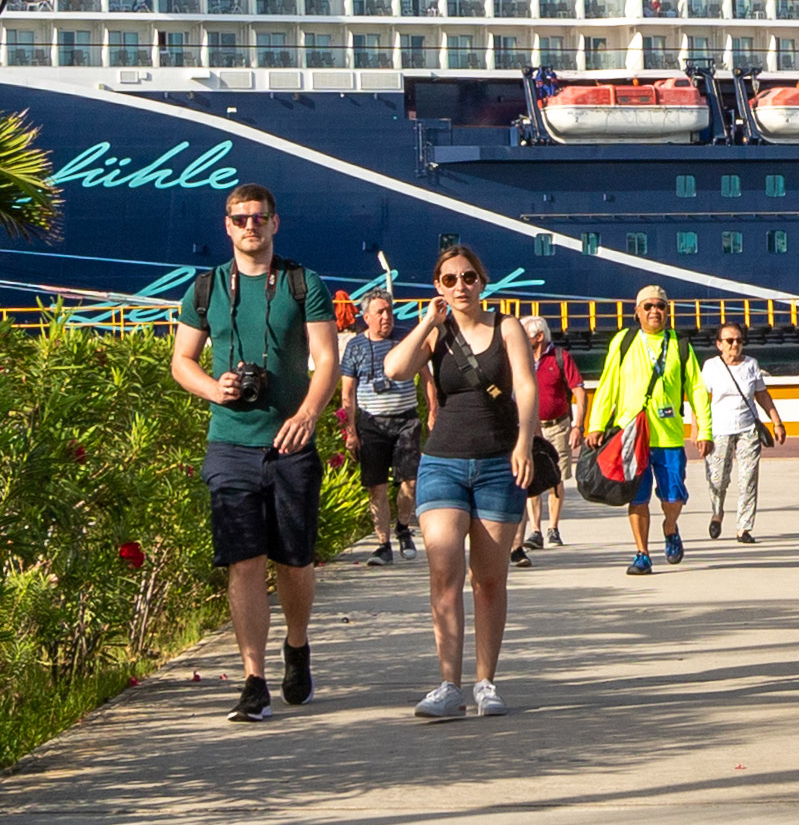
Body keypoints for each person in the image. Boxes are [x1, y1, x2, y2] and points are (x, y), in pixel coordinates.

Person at [170, 182, 339, 719]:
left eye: (259, 218)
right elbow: (181, 361)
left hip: (290, 442)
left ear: (274, 223)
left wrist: (307, 415)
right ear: (227, 225)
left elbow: (327, 359)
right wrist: (211, 388)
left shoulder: (300, 282)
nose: (250, 227)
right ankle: (252, 679)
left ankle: (296, 644)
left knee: (294, 558)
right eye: (240, 219)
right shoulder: (204, 289)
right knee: (243, 561)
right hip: (231, 443)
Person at [381, 243, 537, 718]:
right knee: (444, 568)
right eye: (450, 279)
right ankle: (448, 684)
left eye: (468, 277)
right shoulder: (437, 332)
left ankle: (485, 682)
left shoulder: (506, 326)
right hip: (443, 461)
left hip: (496, 463)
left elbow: (526, 386)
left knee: (489, 579)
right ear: (438, 286)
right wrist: (428, 322)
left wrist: (524, 444)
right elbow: (394, 369)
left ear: (482, 282)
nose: (460, 286)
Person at [586, 287, 708, 574]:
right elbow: (608, 386)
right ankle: (642, 554)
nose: (655, 311)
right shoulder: (623, 342)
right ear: (637, 311)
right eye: (648, 306)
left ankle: (670, 528)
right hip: (632, 437)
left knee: (673, 497)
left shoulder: (680, 344)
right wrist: (596, 425)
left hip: (669, 436)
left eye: (661, 306)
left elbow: (697, 388)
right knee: (637, 498)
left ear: (668, 311)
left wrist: (704, 429)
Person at [340, 287, 423, 565]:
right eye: (380, 312)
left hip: (405, 420)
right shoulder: (355, 347)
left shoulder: (405, 339)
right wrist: (351, 432)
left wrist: (433, 410)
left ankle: (402, 526)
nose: (386, 317)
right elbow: (347, 392)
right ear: (366, 317)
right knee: (376, 486)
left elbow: (426, 376)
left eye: (389, 311)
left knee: (409, 482)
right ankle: (383, 544)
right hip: (371, 423)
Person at [701, 320, 786, 543]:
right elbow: (701, 401)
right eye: (729, 340)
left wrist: (776, 421)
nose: (735, 344)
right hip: (719, 429)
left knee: (748, 478)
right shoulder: (711, 367)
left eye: (739, 340)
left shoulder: (751, 364)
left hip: (748, 428)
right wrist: (700, 431)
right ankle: (717, 513)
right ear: (719, 344)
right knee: (717, 479)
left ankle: (744, 527)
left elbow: (762, 395)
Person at [519, 315, 581, 550]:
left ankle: (553, 528)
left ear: (539, 336)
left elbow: (579, 391)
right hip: (529, 427)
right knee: (531, 478)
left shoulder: (560, 357)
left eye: (526, 337)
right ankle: (535, 531)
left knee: (556, 478)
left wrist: (578, 426)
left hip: (557, 426)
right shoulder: (519, 359)